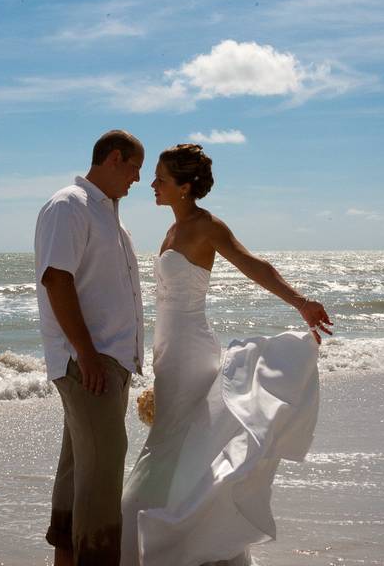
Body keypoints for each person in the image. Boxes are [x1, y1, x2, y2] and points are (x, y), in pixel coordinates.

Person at [120, 143, 332, 566]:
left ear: (184, 186)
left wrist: (301, 302)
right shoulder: (172, 229)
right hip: (170, 354)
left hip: (191, 351)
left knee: (174, 447)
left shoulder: (206, 226)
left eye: (160, 178)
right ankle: (188, 534)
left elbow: (254, 265)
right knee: (179, 447)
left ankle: (158, 530)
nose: (152, 184)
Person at [34, 129, 145, 565]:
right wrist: (87, 353)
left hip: (105, 361)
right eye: (134, 167)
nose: (137, 178)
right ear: (114, 159)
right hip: (90, 363)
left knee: (80, 471)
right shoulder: (70, 205)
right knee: (101, 479)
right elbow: (56, 279)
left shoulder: (110, 217)